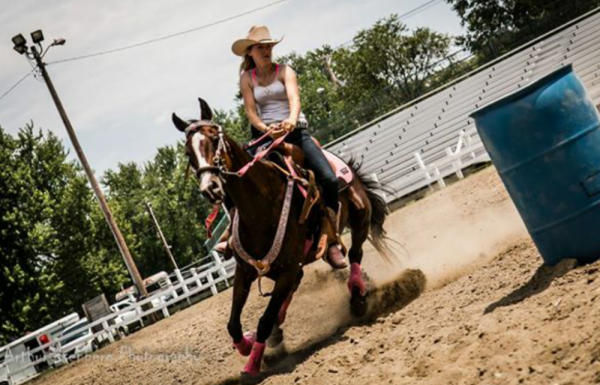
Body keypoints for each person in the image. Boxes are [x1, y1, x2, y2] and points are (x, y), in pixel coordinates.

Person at [231, 25, 346, 269]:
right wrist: (265, 128)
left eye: (269, 46)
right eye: (260, 47)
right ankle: (232, 235)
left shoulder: (285, 70)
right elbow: (251, 112)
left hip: (294, 132)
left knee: (328, 178)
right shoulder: (246, 79)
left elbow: (295, 99)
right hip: (265, 136)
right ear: (250, 52)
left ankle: (332, 237)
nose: (266, 51)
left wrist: (291, 121)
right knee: (236, 175)